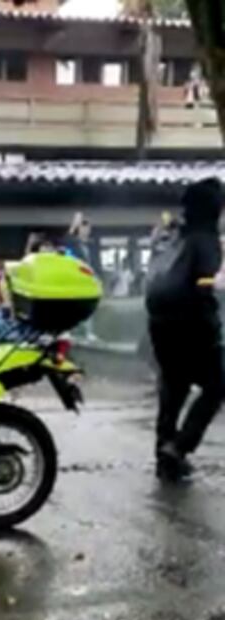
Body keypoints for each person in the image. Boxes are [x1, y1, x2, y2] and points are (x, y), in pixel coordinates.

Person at [144, 177, 225, 483]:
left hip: (159, 321)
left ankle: (164, 455)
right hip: (191, 321)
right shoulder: (205, 238)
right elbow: (206, 281)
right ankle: (179, 447)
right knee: (217, 385)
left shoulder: (173, 234)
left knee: (174, 385)